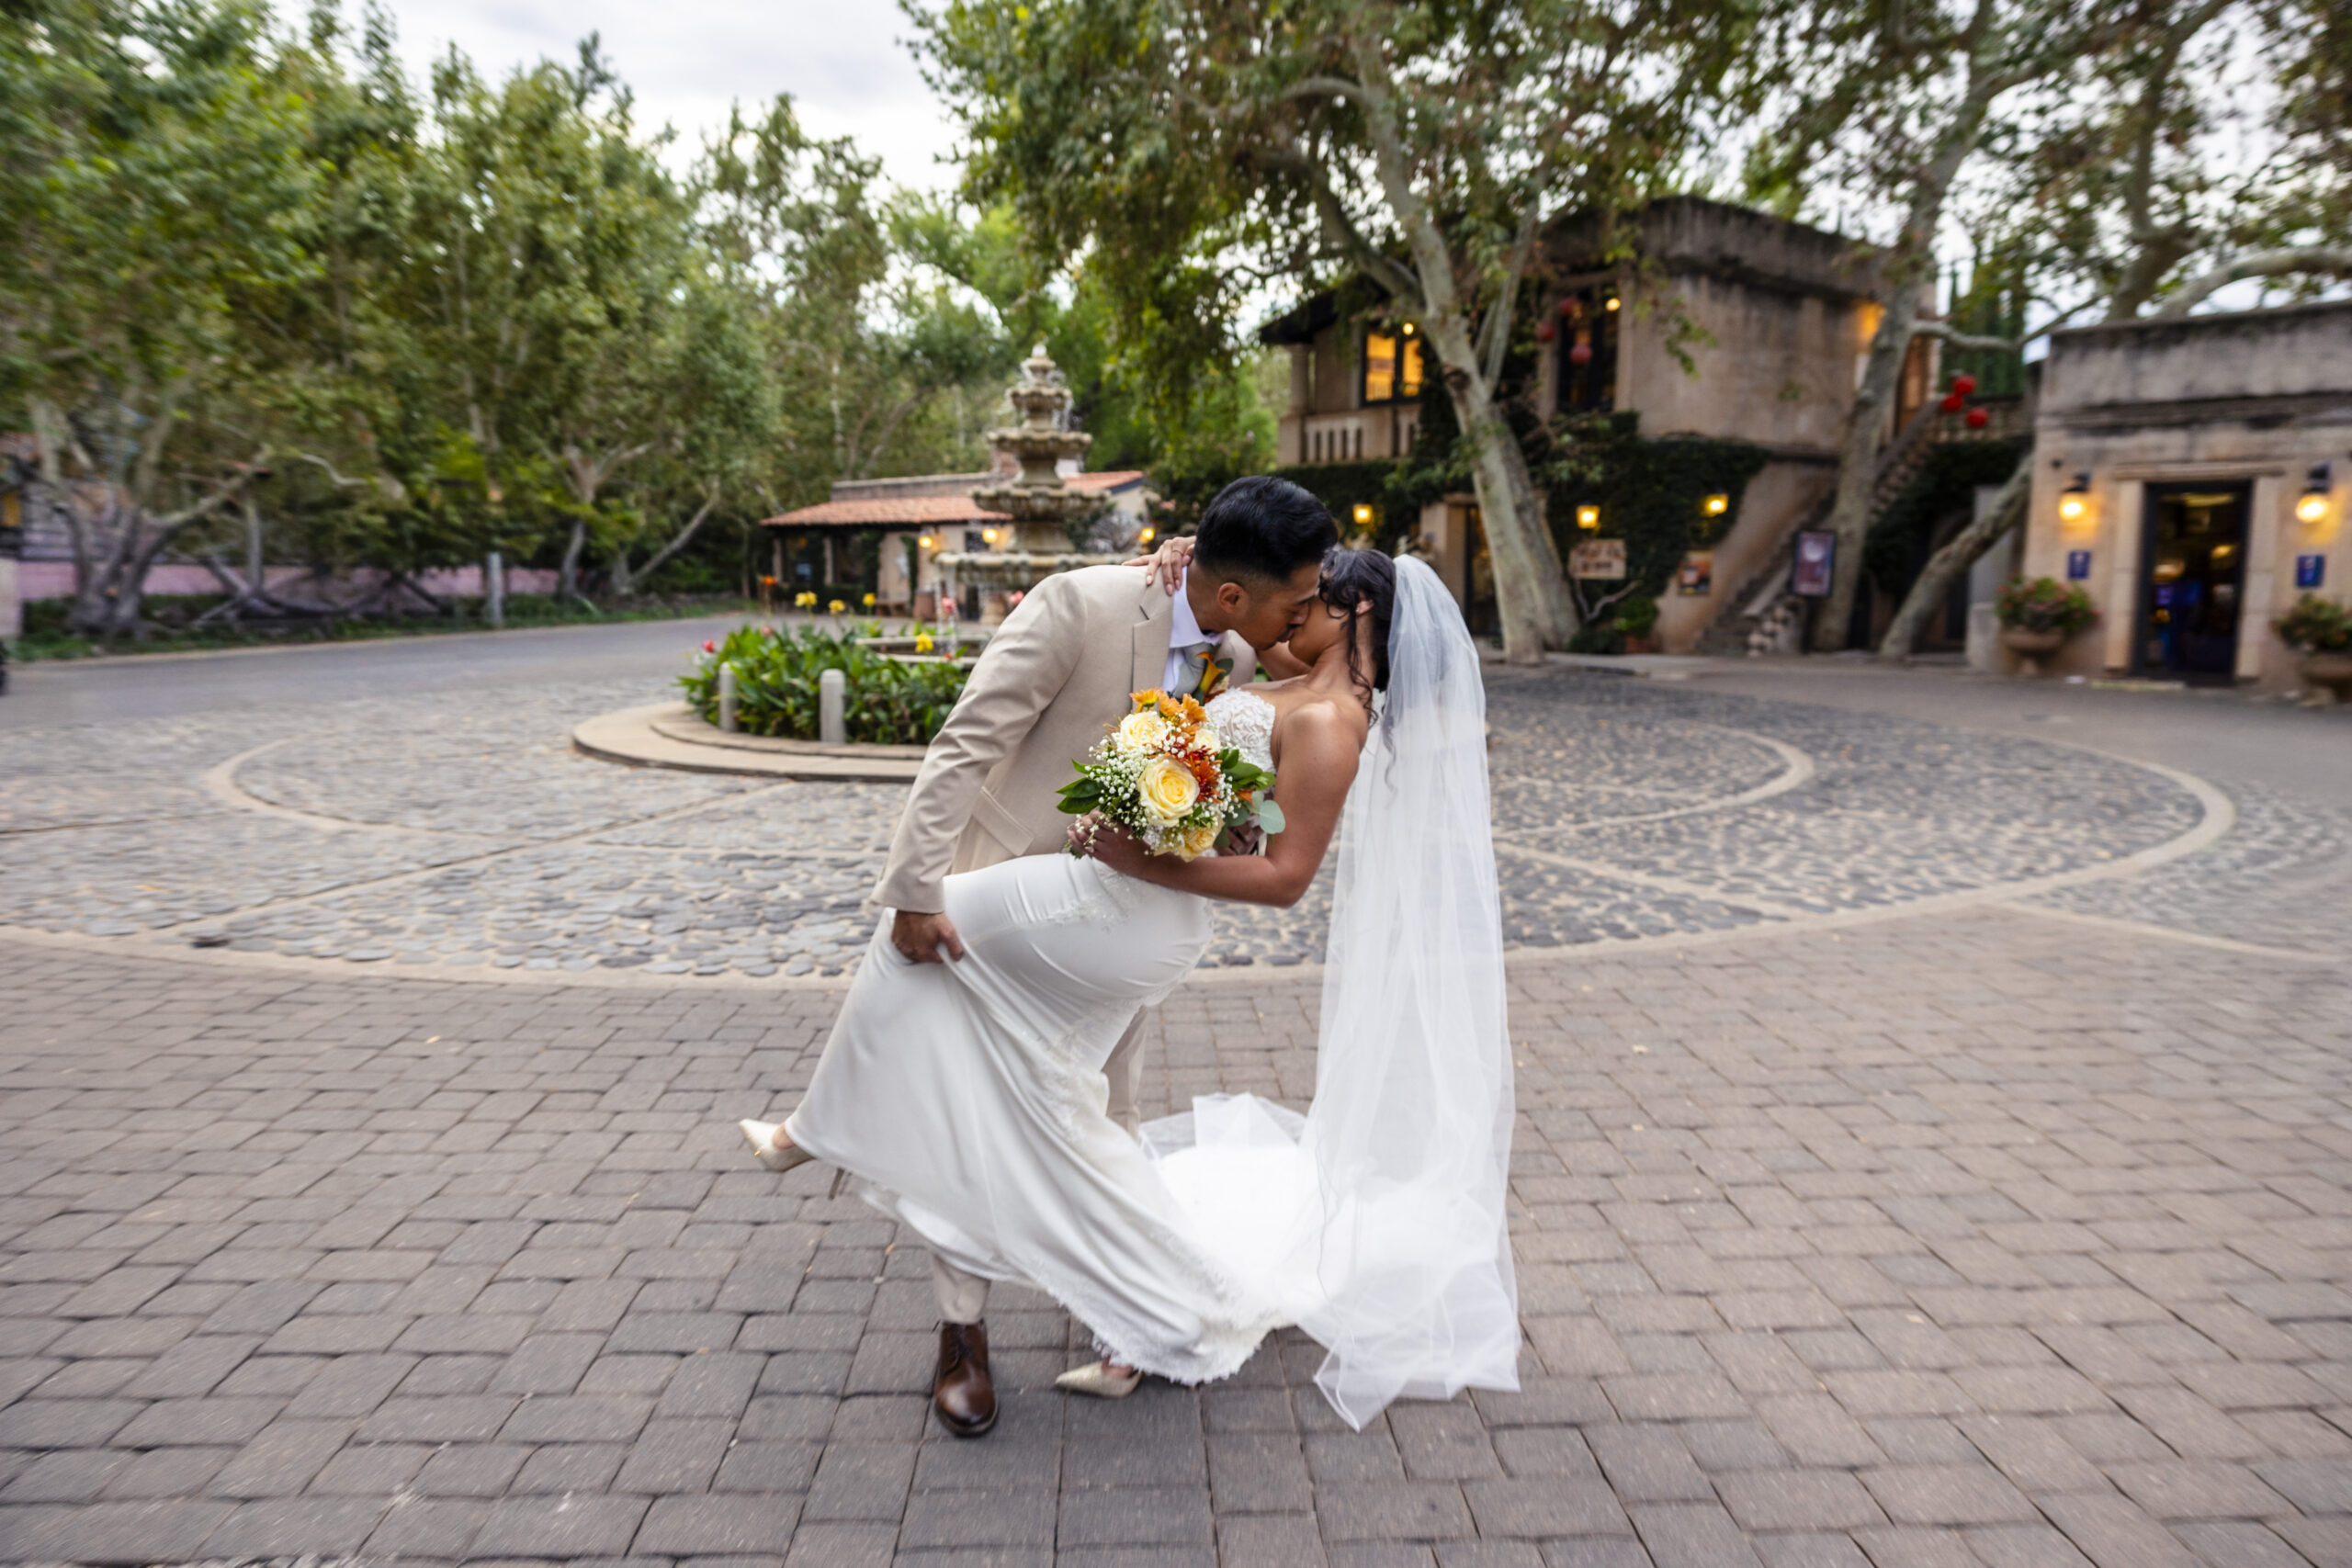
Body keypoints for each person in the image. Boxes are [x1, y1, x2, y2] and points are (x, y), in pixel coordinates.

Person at [741, 476, 1336, 1436]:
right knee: (970, 1115)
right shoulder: (1082, 604)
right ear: (1233, 593)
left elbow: (1233, 790)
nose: (1301, 613)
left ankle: (1125, 1309)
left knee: (1107, 1112)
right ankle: (961, 1339)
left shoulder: (1238, 652)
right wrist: (914, 890)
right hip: (1003, 906)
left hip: (1117, 926)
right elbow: (965, 744)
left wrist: (1221, 830)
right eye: (1293, 598)